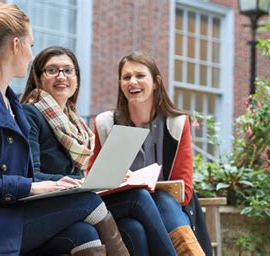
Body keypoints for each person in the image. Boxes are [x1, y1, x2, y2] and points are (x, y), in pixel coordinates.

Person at [0, 4, 127, 255]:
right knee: (87, 201)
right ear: (15, 45)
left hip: (0, 214)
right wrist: (29, 187)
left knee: (83, 234)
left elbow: (14, 175)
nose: (32, 55)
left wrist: (50, 186)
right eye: (31, 45)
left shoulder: (10, 102)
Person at [20, 46, 176, 256]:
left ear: (76, 78)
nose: (61, 76)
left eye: (68, 70)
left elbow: (80, 175)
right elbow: (32, 175)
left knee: (133, 228)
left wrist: (112, 178)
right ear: (38, 78)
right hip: (52, 205)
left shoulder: (72, 121)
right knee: (137, 197)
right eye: (52, 70)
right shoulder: (30, 114)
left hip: (78, 197)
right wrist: (77, 183)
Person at [89, 51, 213, 255]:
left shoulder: (176, 123)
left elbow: (185, 189)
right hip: (123, 208)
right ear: (120, 83)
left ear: (156, 82)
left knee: (162, 201)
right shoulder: (106, 124)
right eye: (126, 77)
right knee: (136, 223)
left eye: (140, 75)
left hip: (168, 207)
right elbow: (96, 185)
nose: (132, 82)